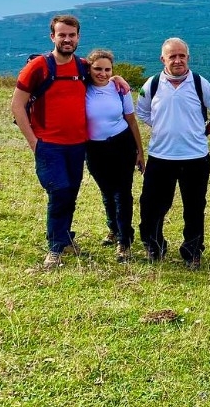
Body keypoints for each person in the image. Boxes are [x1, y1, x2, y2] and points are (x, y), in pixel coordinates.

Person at [12, 14, 99, 270]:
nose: (67, 39)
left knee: (70, 192)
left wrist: (118, 79)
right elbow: (17, 105)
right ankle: (54, 248)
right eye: (62, 35)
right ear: (53, 37)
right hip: (48, 143)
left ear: (78, 37)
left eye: (72, 35)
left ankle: (65, 237)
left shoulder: (83, 67)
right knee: (59, 190)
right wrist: (33, 141)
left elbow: (104, 76)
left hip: (77, 143)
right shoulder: (39, 66)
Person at [135, 37, 210, 270]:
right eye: (172, 56)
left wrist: (199, 133)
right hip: (160, 157)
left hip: (195, 158)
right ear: (163, 59)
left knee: (194, 207)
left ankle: (192, 251)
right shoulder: (152, 84)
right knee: (152, 206)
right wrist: (164, 129)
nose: (177, 60)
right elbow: (143, 112)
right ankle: (154, 246)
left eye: (182, 56)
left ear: (188, 57)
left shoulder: (200, 83)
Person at [84, 48, 145, 263]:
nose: (103, 73)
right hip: (94, 148)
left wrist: (140, 151)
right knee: (106, 192)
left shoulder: (120, 88)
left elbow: (131, 120)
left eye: (108, 69)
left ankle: (124, 241)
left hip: (121, 144)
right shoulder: (81, 87)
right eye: (97, 69)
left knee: (122, 193)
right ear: (89, 69)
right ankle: (113, 228)